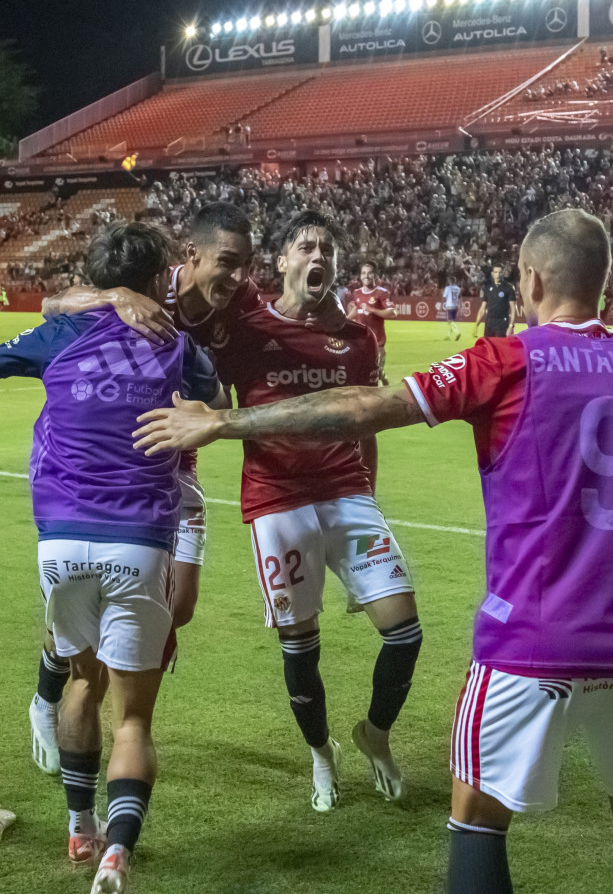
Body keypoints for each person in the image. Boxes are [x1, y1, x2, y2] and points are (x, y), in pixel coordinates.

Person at [135, 209, 613, 893]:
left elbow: (366, 408)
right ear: (603, 283)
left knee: (479, 827)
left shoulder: (504, 360)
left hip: (530, 643)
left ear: (531, 279)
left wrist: (224, 422)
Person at [167, 210, 422, 813]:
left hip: (346, 495)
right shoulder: (244, 321)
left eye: (328, 248)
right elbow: (189, 300)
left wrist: (370, 495)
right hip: (276, 500)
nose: (319, 256)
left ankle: (374, 736)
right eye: (305, 246)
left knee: (405, 633)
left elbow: (367, 423)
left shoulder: (359, 339)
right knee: (300, 645)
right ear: (280, 262)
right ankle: (320, 756)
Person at [1, 222, 226, 894]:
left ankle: (80, 826)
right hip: (140, 538)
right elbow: (217, 407)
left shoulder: (60, 336)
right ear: (161, 278)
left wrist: (79, 307)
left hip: (61, 538)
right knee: (133, 715)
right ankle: (116, 854)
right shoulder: (179, 345)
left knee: (80, 681)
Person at [28, 202, 256, 778]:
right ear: (190, 258)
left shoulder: (246, 308)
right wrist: (112, 297)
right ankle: (56, 697)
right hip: (121, 472)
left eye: (244, 266)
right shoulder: (150, 294)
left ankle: (100, 703)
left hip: (180, 466)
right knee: (100, 611)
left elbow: (229, 398)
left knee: (178, 607)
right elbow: (60, 302)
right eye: (227, 263)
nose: (236, 278)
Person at [346, 261, 397, 386]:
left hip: (377, 341)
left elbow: (393, 313)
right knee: (360, 375)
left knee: (376, 374)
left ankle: (382, 377)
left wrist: (372, 309)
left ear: (375, 275)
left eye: (369, 273)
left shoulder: (381, 293)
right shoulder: (356, 292)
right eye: (363, 273)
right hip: (360, 341)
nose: (366, 276)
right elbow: (357, 309)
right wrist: (346, 319)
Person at [473, 264, 516, 338]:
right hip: (489, 322)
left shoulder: (509, 288)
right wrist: (476, 326)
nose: (498, 275)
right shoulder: (488, 288)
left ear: (503, 273)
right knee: (488, 347)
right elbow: (482, 308)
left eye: (500, 272)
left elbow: (513, 309)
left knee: (499, 347)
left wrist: (511, 326)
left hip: (502, 322)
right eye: (496, 272)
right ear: (492, 274)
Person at [442, 274, 462, 340]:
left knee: (450, 321)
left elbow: (444, 297)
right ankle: (448, 336)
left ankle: (457, 332)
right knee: (452, 321)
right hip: (455, 306)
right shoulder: (458, 288)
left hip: (449, 305)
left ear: (450, 281)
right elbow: (459, 297)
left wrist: (442, 304)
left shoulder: (448, 288)